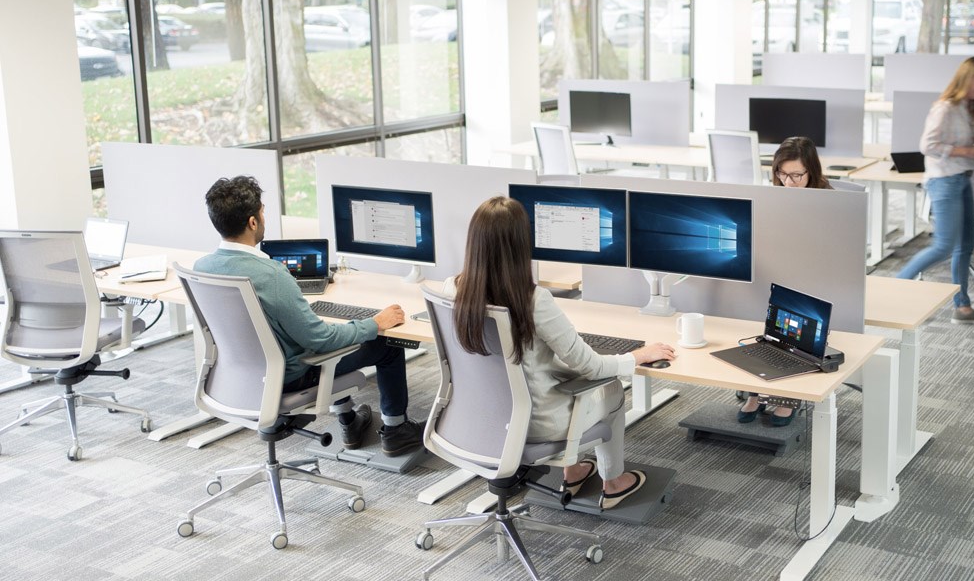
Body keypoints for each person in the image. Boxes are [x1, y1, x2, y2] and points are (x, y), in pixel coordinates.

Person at [445, 196, 675, 510]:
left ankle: (575, 471)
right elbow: (591, 367)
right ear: (521, 245)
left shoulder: (454, 289)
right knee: (611, 388)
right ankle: (614, 482)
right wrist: (637, 356)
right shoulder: (533, 300)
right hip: (536, 424)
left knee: (558, 375)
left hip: (481, 417)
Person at [194, 176, 423, 456]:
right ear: (253, 222)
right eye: (263, 211)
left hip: (239, 376)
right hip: (292, 376)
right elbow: (321, 339)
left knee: (333, 333)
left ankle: (350, 421)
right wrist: (374, 323)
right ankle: (396, 431)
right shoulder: (272, 275)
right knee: (386, 344)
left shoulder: (201, 267)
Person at [738, 137, 832, 426]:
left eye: (796, 175)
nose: (788, 182)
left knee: (792, 326)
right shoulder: (773, 195)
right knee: (748, 319)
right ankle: (755, 391)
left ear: (811, 173)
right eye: (782, 173)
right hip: (776, 272)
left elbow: (830, 251)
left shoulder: (829, 201)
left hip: (813, 278)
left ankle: (787, 397)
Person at [895, 56, 974, 326]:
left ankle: (962, 307)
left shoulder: (964, 107)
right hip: (944, 181)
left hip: (961, 178)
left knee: (967, 243)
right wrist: (967, 150)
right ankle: (894, 288)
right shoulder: (945, 108)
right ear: (968, 77)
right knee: (944, 245)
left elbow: (958, 143)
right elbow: (927, 145)